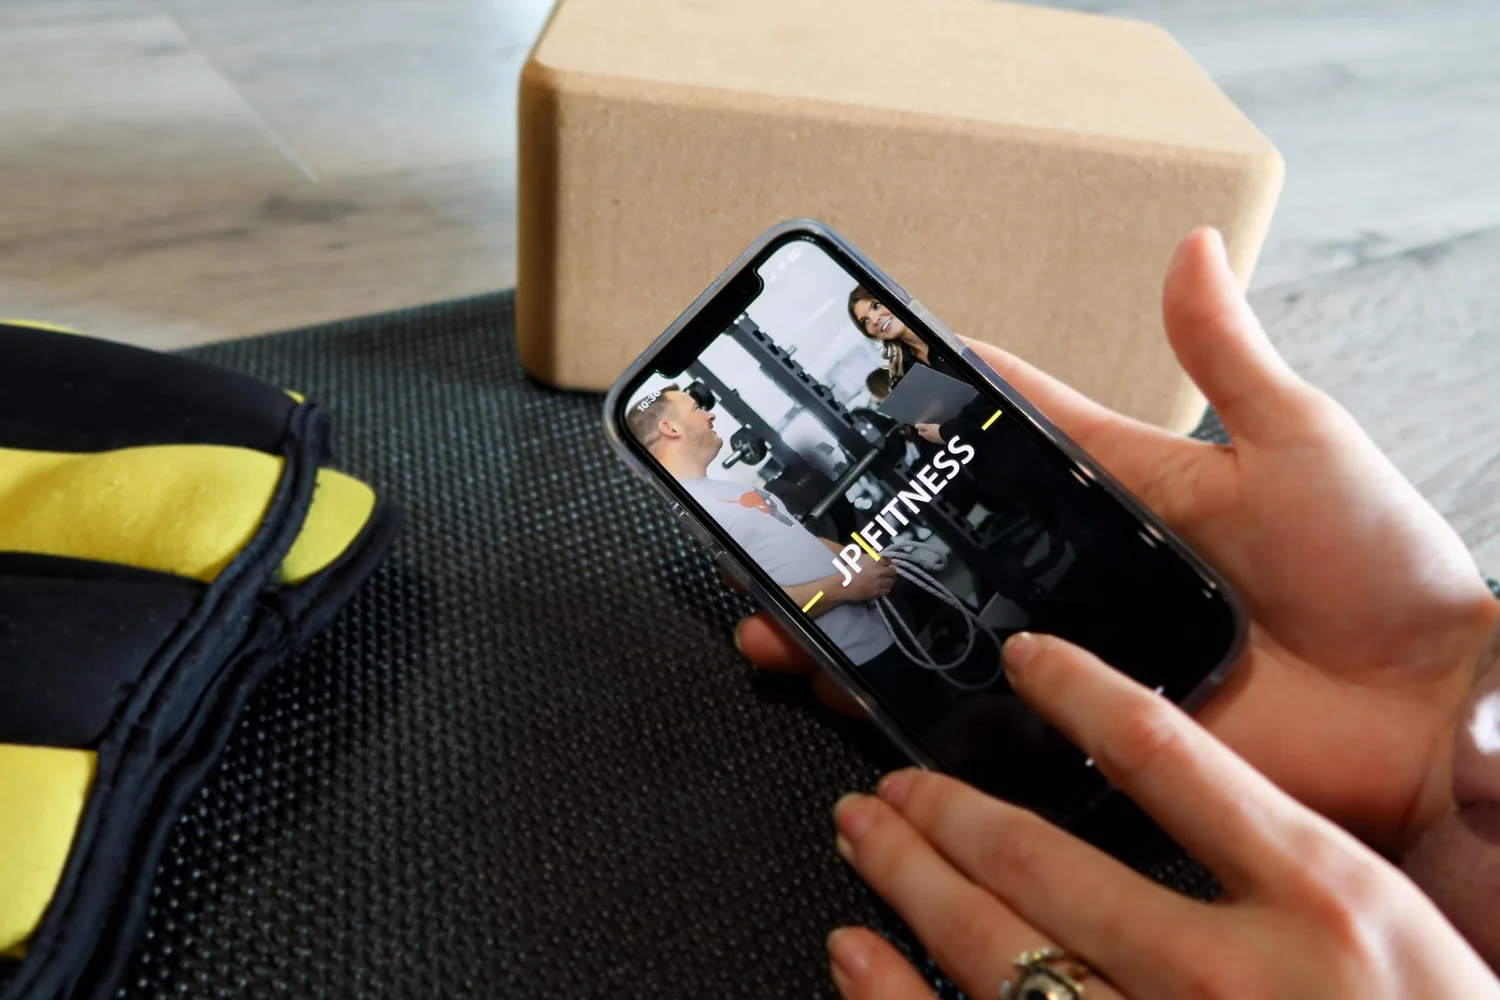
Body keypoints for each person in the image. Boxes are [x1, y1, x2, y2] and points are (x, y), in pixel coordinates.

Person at [741, 227, 1500, 996]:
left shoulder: (921, 366)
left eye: (877, 318)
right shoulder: (890, 380)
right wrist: (1440, 717)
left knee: (1074, 539)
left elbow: (954, 416)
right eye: (867, 324)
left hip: (1018, 475)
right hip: (997, 488)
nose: (875, 328)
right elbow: (930, 424)